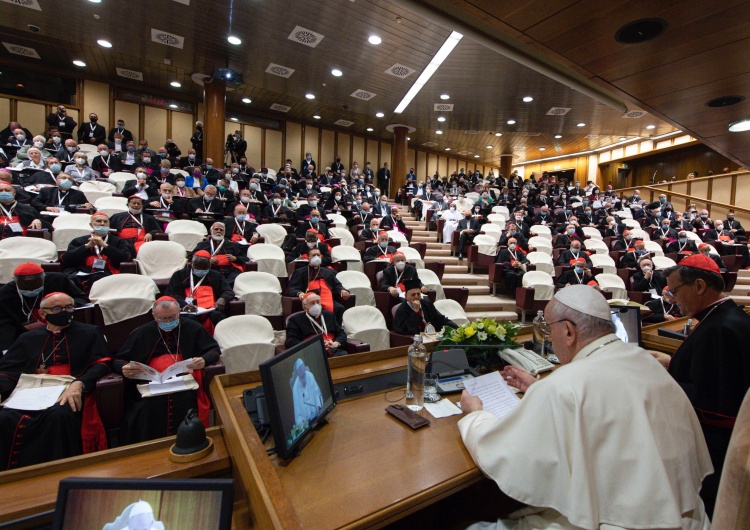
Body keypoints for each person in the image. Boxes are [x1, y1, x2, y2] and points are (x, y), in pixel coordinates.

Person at [458, 285, 712, 530]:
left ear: (568, 331)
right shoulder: (645, 361)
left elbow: (502, 454)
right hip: (688, 517)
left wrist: (475, 415)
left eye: (548, 328)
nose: (548, 336)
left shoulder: (562, 385)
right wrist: (537, 387)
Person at [660, 253, 750, 516]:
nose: (674, 300)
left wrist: (662, 381)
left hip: (716, 453)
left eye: (675, 291)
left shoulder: (719, 329)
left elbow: (713, 406)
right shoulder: (726, 317)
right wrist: (671, 365)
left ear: (699, 286)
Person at [0, 292, 110, 469]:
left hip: (67, 389)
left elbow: (101, 364)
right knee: (5, 417)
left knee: (59, 416)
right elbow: (7, 371)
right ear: (43, 314)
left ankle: (55, 470)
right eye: (57, 308)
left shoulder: (89, 333)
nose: (65, 312)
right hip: (31, 390)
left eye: (69, 307)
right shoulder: (27, 338)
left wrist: (79, 384)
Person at [113, 297, 221, 443]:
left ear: (179, 313)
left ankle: (189, 442)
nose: (168, 322)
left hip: (185, 381)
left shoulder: (193, 327)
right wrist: (123, 368)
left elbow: (213, 350)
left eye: (172, 317)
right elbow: (119, 359)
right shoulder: (142, 332)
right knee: (146, 406)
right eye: (163, 319)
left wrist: (204, 360)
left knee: (187, 400)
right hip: (150, 384)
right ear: (154, 316)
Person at [62, 212, 135, 291]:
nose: (102, 224)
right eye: (99, 221)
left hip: (107, 271)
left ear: (109, 224)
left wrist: (105, 246)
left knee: (98, 277)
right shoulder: (78, 241)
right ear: (91, 224)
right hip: (82, 271)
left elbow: (126, 258)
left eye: (105, 221)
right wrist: (86, 247)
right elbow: (66, 259)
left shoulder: (119, 241)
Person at [164, 251, 233, 332]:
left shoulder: (216, 275)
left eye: (204, 268)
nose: (201, 270)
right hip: (188, 310)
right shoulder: (179, 275)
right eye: (198, 267)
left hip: (210, 310)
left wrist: (223, 299)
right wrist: (184, 306)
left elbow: (228, 291)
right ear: (192, 264)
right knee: (189, 319)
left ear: (209, 266)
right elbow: (172, 294)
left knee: (218, 317)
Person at [287, 248, 350, 321]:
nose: (316, 257)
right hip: (312, 301)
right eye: (313, 255)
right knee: (322, 310)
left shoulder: (328, 272)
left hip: (328, 299)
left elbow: (337, 285)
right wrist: (299, 293)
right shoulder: (300, 272)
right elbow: (292, 289)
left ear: (321, 257)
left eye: (318, 255)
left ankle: (335, 330)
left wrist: (342, 290)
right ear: (308, 257)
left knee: (339, 308)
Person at [286, 292, 347, 357]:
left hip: (333, 349)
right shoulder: (295, 320)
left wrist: (337, 342)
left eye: (318, 302)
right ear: (305, 308)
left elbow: (341, 333)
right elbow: (291, 341)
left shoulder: (329, 315)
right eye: (312, 303)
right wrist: (315, 346)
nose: (316, 305)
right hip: (311, 353)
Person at [291, 357, 324, 425]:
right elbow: (297, 410)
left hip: (317, 414)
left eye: (304, 373)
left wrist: (318, 406)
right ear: (297, 373)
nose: (303, 377)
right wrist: (303, 422)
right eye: (301, 375)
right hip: (307, 421)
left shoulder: (310, 375)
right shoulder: (295, 388)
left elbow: (317, 392)